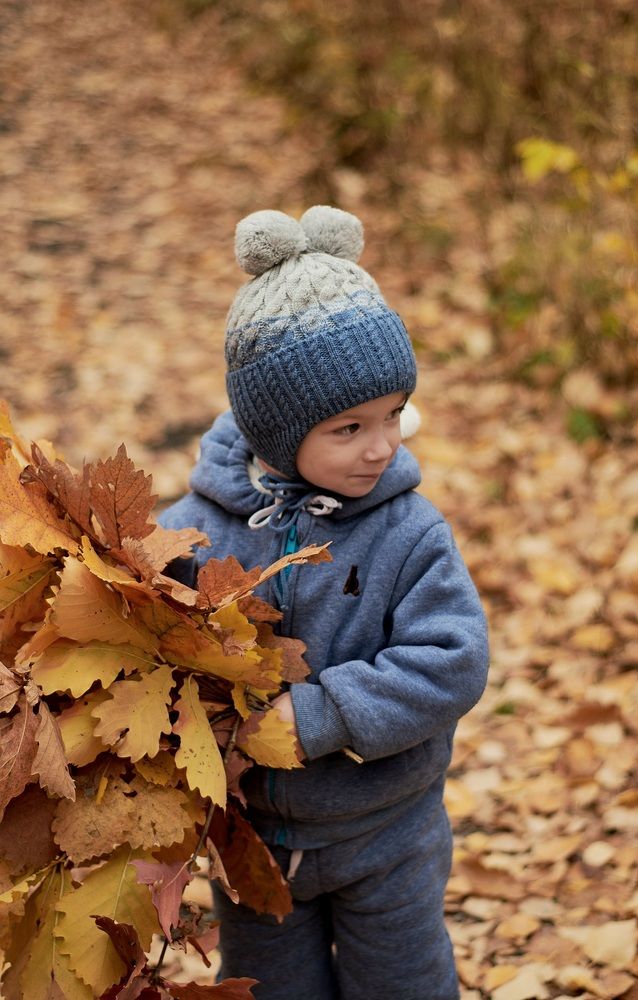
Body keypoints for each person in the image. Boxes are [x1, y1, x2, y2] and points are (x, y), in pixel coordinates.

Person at [159, 206, 489, 1000]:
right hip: (250, 841)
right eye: (348, 427)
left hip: (386, 832)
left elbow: (453, 659)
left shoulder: (408, 533)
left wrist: (323, 715)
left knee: (401, 984)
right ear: (273, 431)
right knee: (270, 987)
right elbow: (141, 630)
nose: (381, 446)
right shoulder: (194, 530)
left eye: (392, 416)